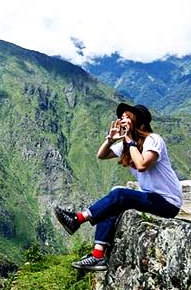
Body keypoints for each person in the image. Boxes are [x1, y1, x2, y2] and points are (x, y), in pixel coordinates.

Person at [54, 103, 182, 272]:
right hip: (151, 197)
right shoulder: (128, 145)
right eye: (122, 117)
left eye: (127, 117)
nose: (122, 119)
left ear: (138, 121)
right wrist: (111, 139)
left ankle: (77, 219)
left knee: (120, 194)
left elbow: (142, 164)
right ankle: (98, 256)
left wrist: (129, 140)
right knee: (113, 201)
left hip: (167, 202)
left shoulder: (153, 140)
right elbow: (101, 155)